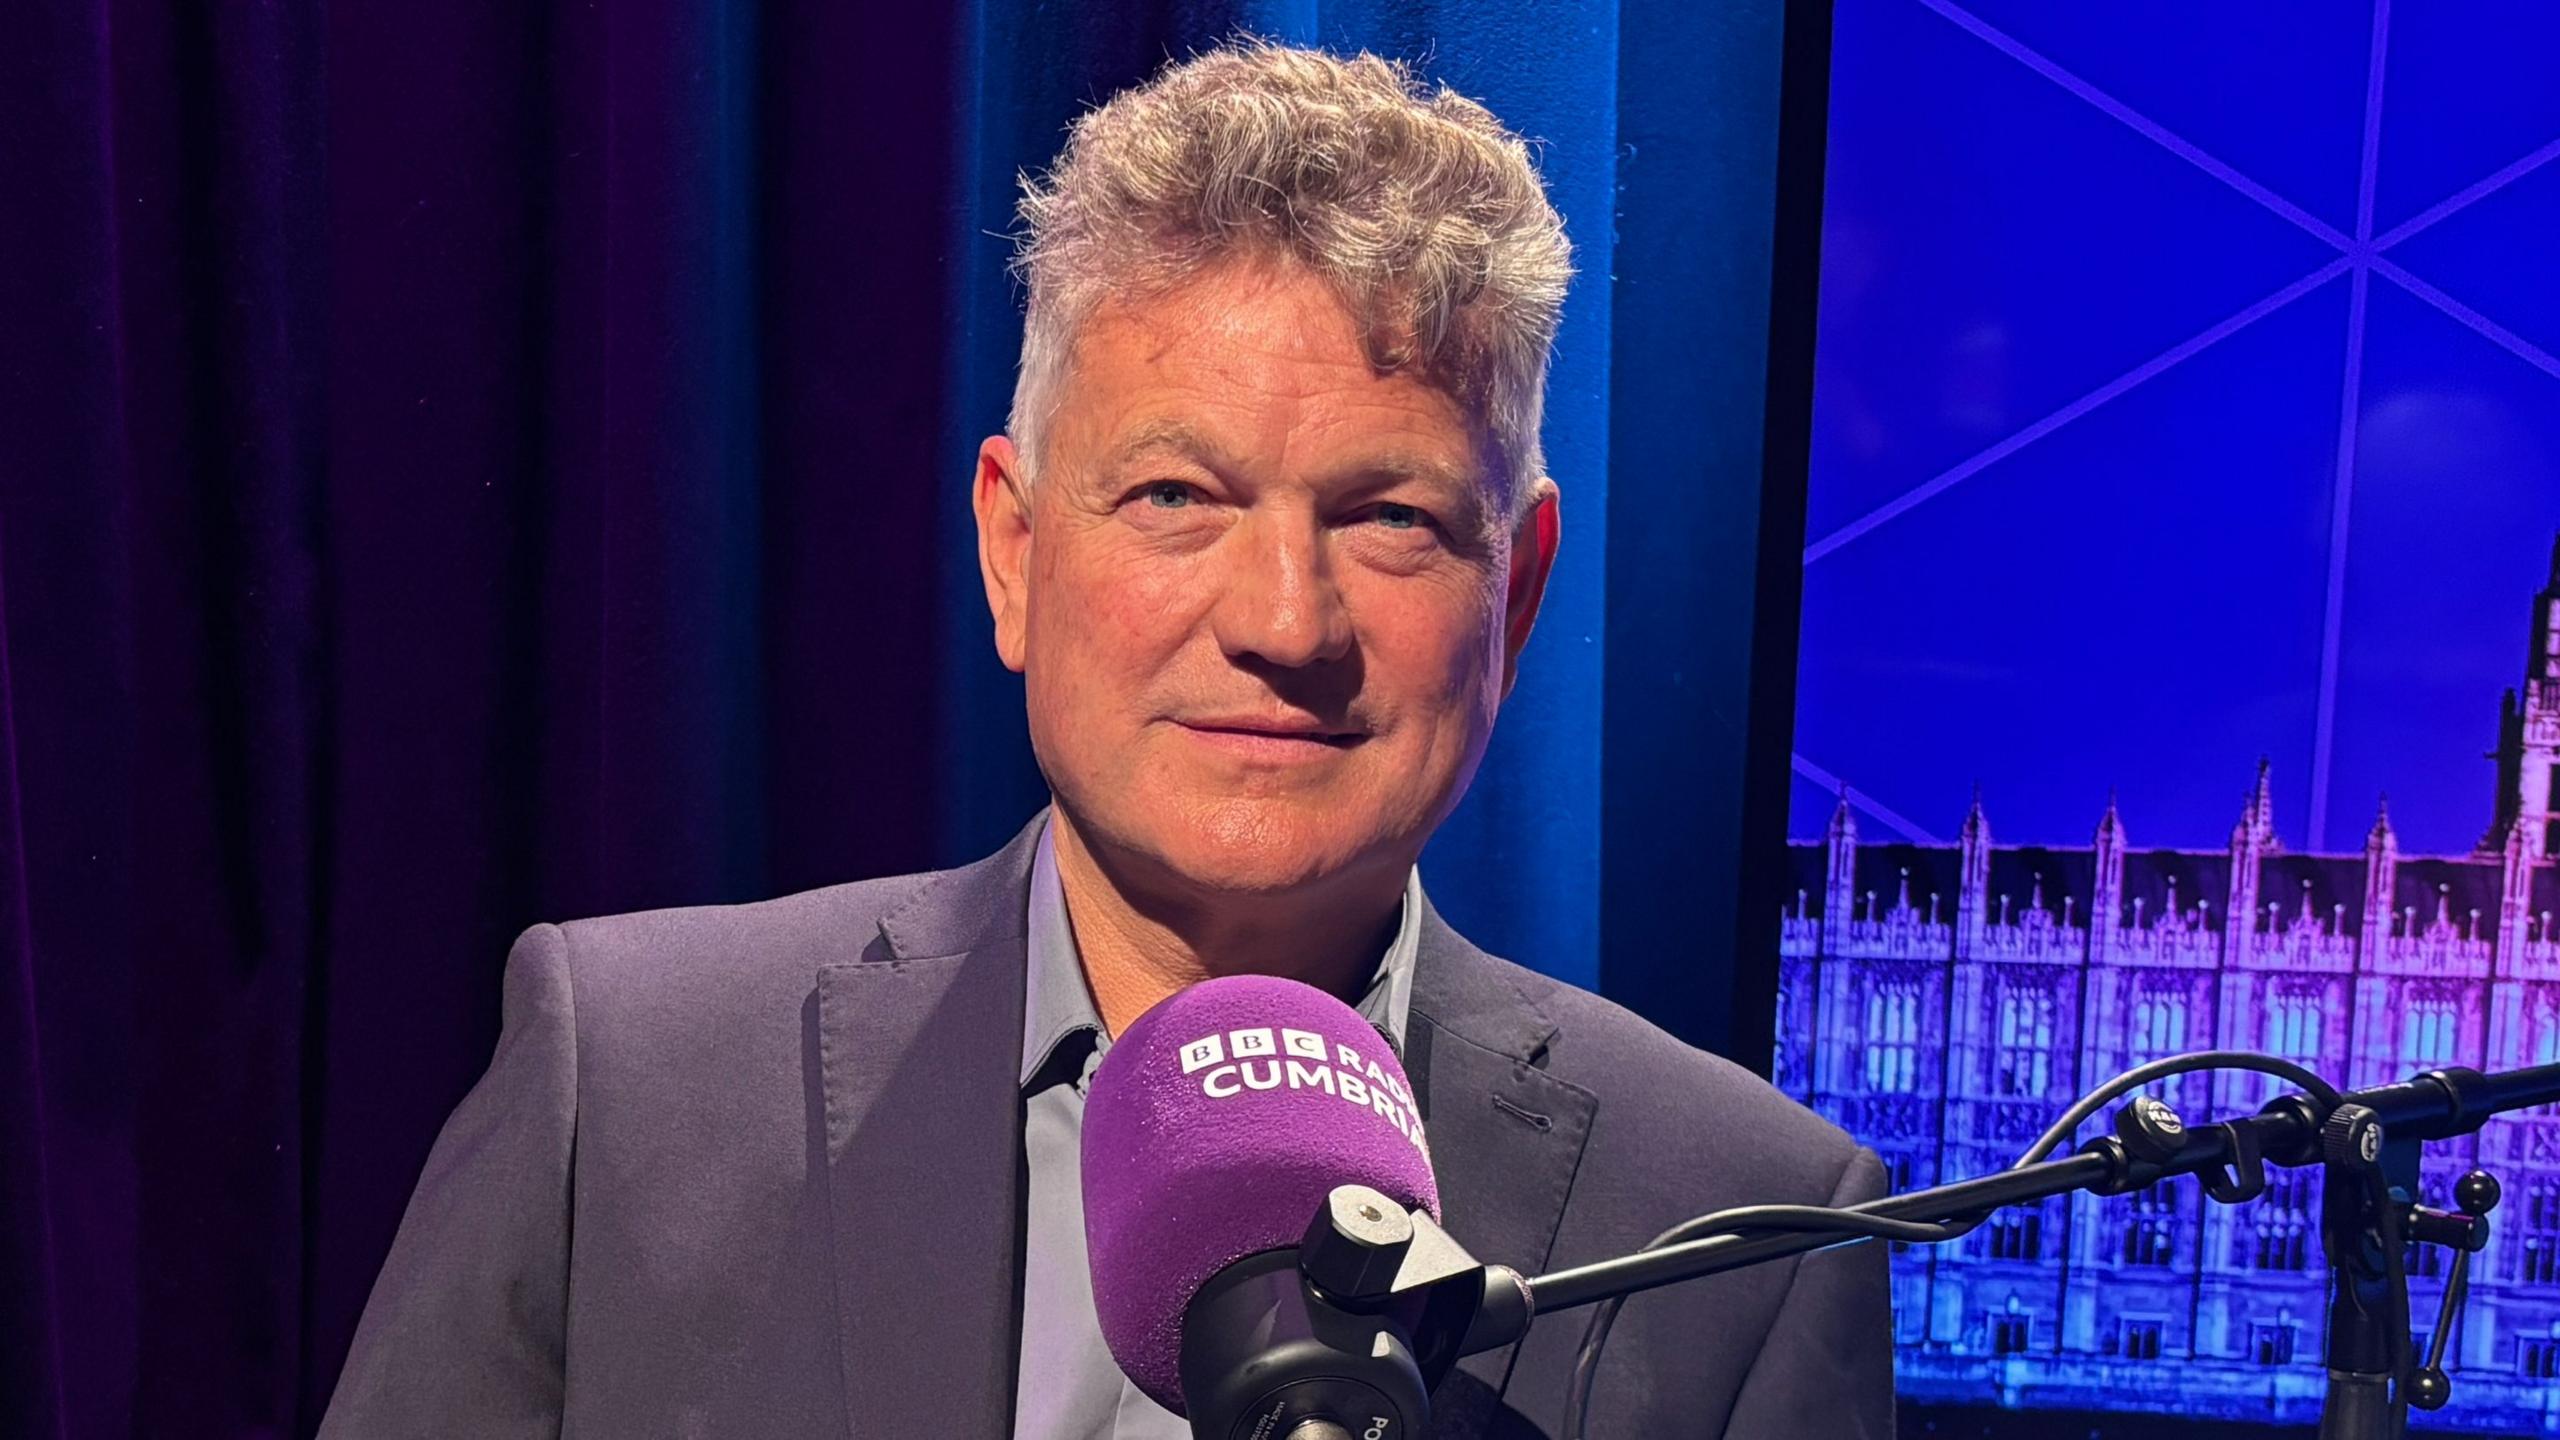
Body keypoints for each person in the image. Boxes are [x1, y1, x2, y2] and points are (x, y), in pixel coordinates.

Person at [322, 41, 1891, 1439]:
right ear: (1012, 551)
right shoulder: (633, 1090)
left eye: (1392, 517)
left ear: (1521, 591)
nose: (1285, 618)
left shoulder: (1744, 1240)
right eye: (1175, 499)